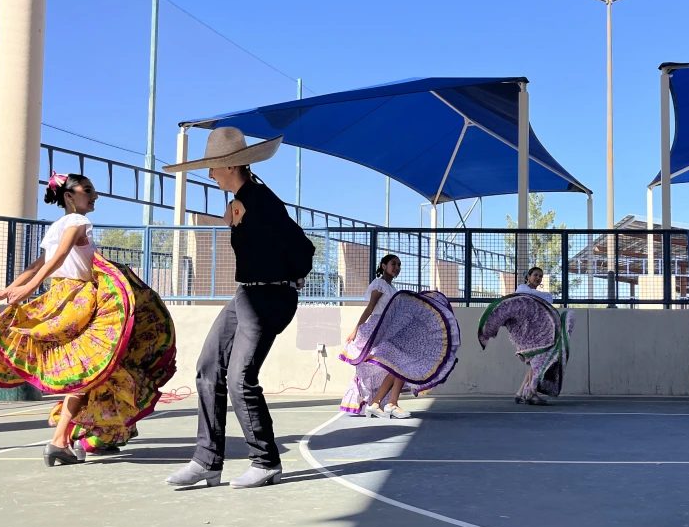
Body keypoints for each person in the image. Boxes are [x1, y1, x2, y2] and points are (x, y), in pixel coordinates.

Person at [0, 173, 177, 466]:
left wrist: (15, 288)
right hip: (78, 301)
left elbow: (42, 263)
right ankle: (61, 440)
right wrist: (19, 288)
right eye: (87, 190)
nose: (94, 196)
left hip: (62, 299)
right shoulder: (78, 223)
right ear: (69, 195)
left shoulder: (59, 225)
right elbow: (54, 259)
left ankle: (85, 436)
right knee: (87, 370)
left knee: (89, 372)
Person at [163, 127, 316, 489]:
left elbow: (303, 249)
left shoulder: (260, 200)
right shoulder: (239, 202)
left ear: (229, 166)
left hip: (267, 299)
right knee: (207, 368)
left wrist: (292, 277)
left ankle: (265, 462)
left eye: (212, 168)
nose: (210, 174)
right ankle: (207, 461)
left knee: (239, 377)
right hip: (245, 295)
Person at [339, 254, 461, 418]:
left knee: (400, 366)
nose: (396, 267)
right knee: (401, 364)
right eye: (393, 264)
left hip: (391, 331)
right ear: (383, 266)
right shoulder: (379, 284)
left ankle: (378, 403)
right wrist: (356, 329)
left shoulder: (394, 291)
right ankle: (389, 403)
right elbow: (370, 308)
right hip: (378, 330)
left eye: (399, 265)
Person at [479, 267, 573, 406]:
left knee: (535, 364)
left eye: (540, 276)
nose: (538, 278)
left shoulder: (540, 295)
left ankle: (520, 393)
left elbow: (544, 302)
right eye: (535, 275)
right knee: (538, 362)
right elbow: (529, 300)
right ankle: (531, 394)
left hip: (537, 336)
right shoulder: (522, 290)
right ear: (528, 276)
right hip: (528, 337)